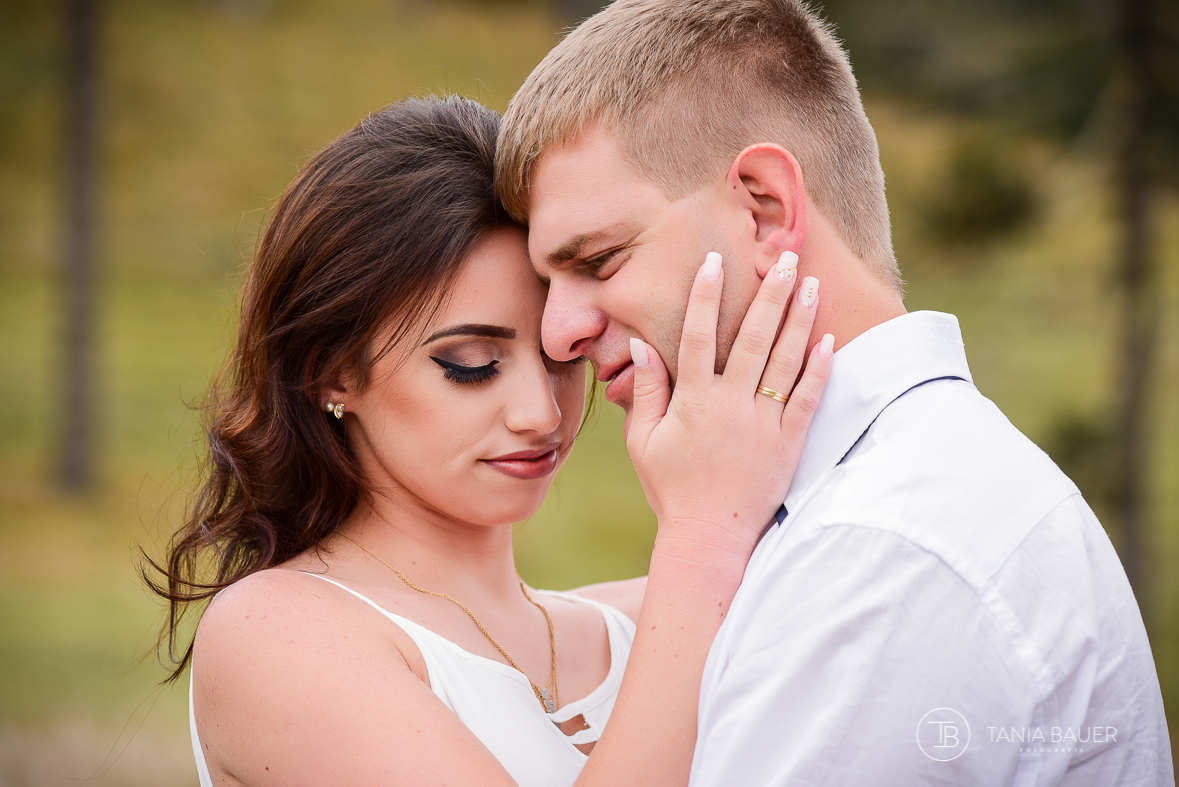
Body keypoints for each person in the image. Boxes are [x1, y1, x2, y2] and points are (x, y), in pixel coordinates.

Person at [495, 0, 1173, 784]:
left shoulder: (881, 551)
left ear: (764, 207)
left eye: (598, 261)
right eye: (548, 282)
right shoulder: (856, 507)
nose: (556, 336)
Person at [147, 95, 834, 786]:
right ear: (332, 374)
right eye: (470, 364)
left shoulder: (652, 614)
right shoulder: (277, 634)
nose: (541, 413)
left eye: (562, 354)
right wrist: (703, 531)